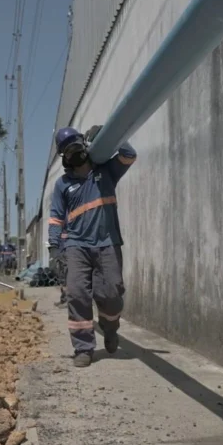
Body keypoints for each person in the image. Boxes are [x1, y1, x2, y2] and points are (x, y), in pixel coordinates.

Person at [47, 125, 137, 367]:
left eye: (76, 146)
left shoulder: (106, 171)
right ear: (64, 157)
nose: (74, 152)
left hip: (107, 243)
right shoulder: (63, 184)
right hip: (76, 246)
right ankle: (83, 348)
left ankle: (110, 326)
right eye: (68, 150)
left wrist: (109, 134)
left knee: (111, 293)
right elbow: (56, 218)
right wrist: (54, 247)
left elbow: (129, 155)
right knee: (77, 294)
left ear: (84, 145)